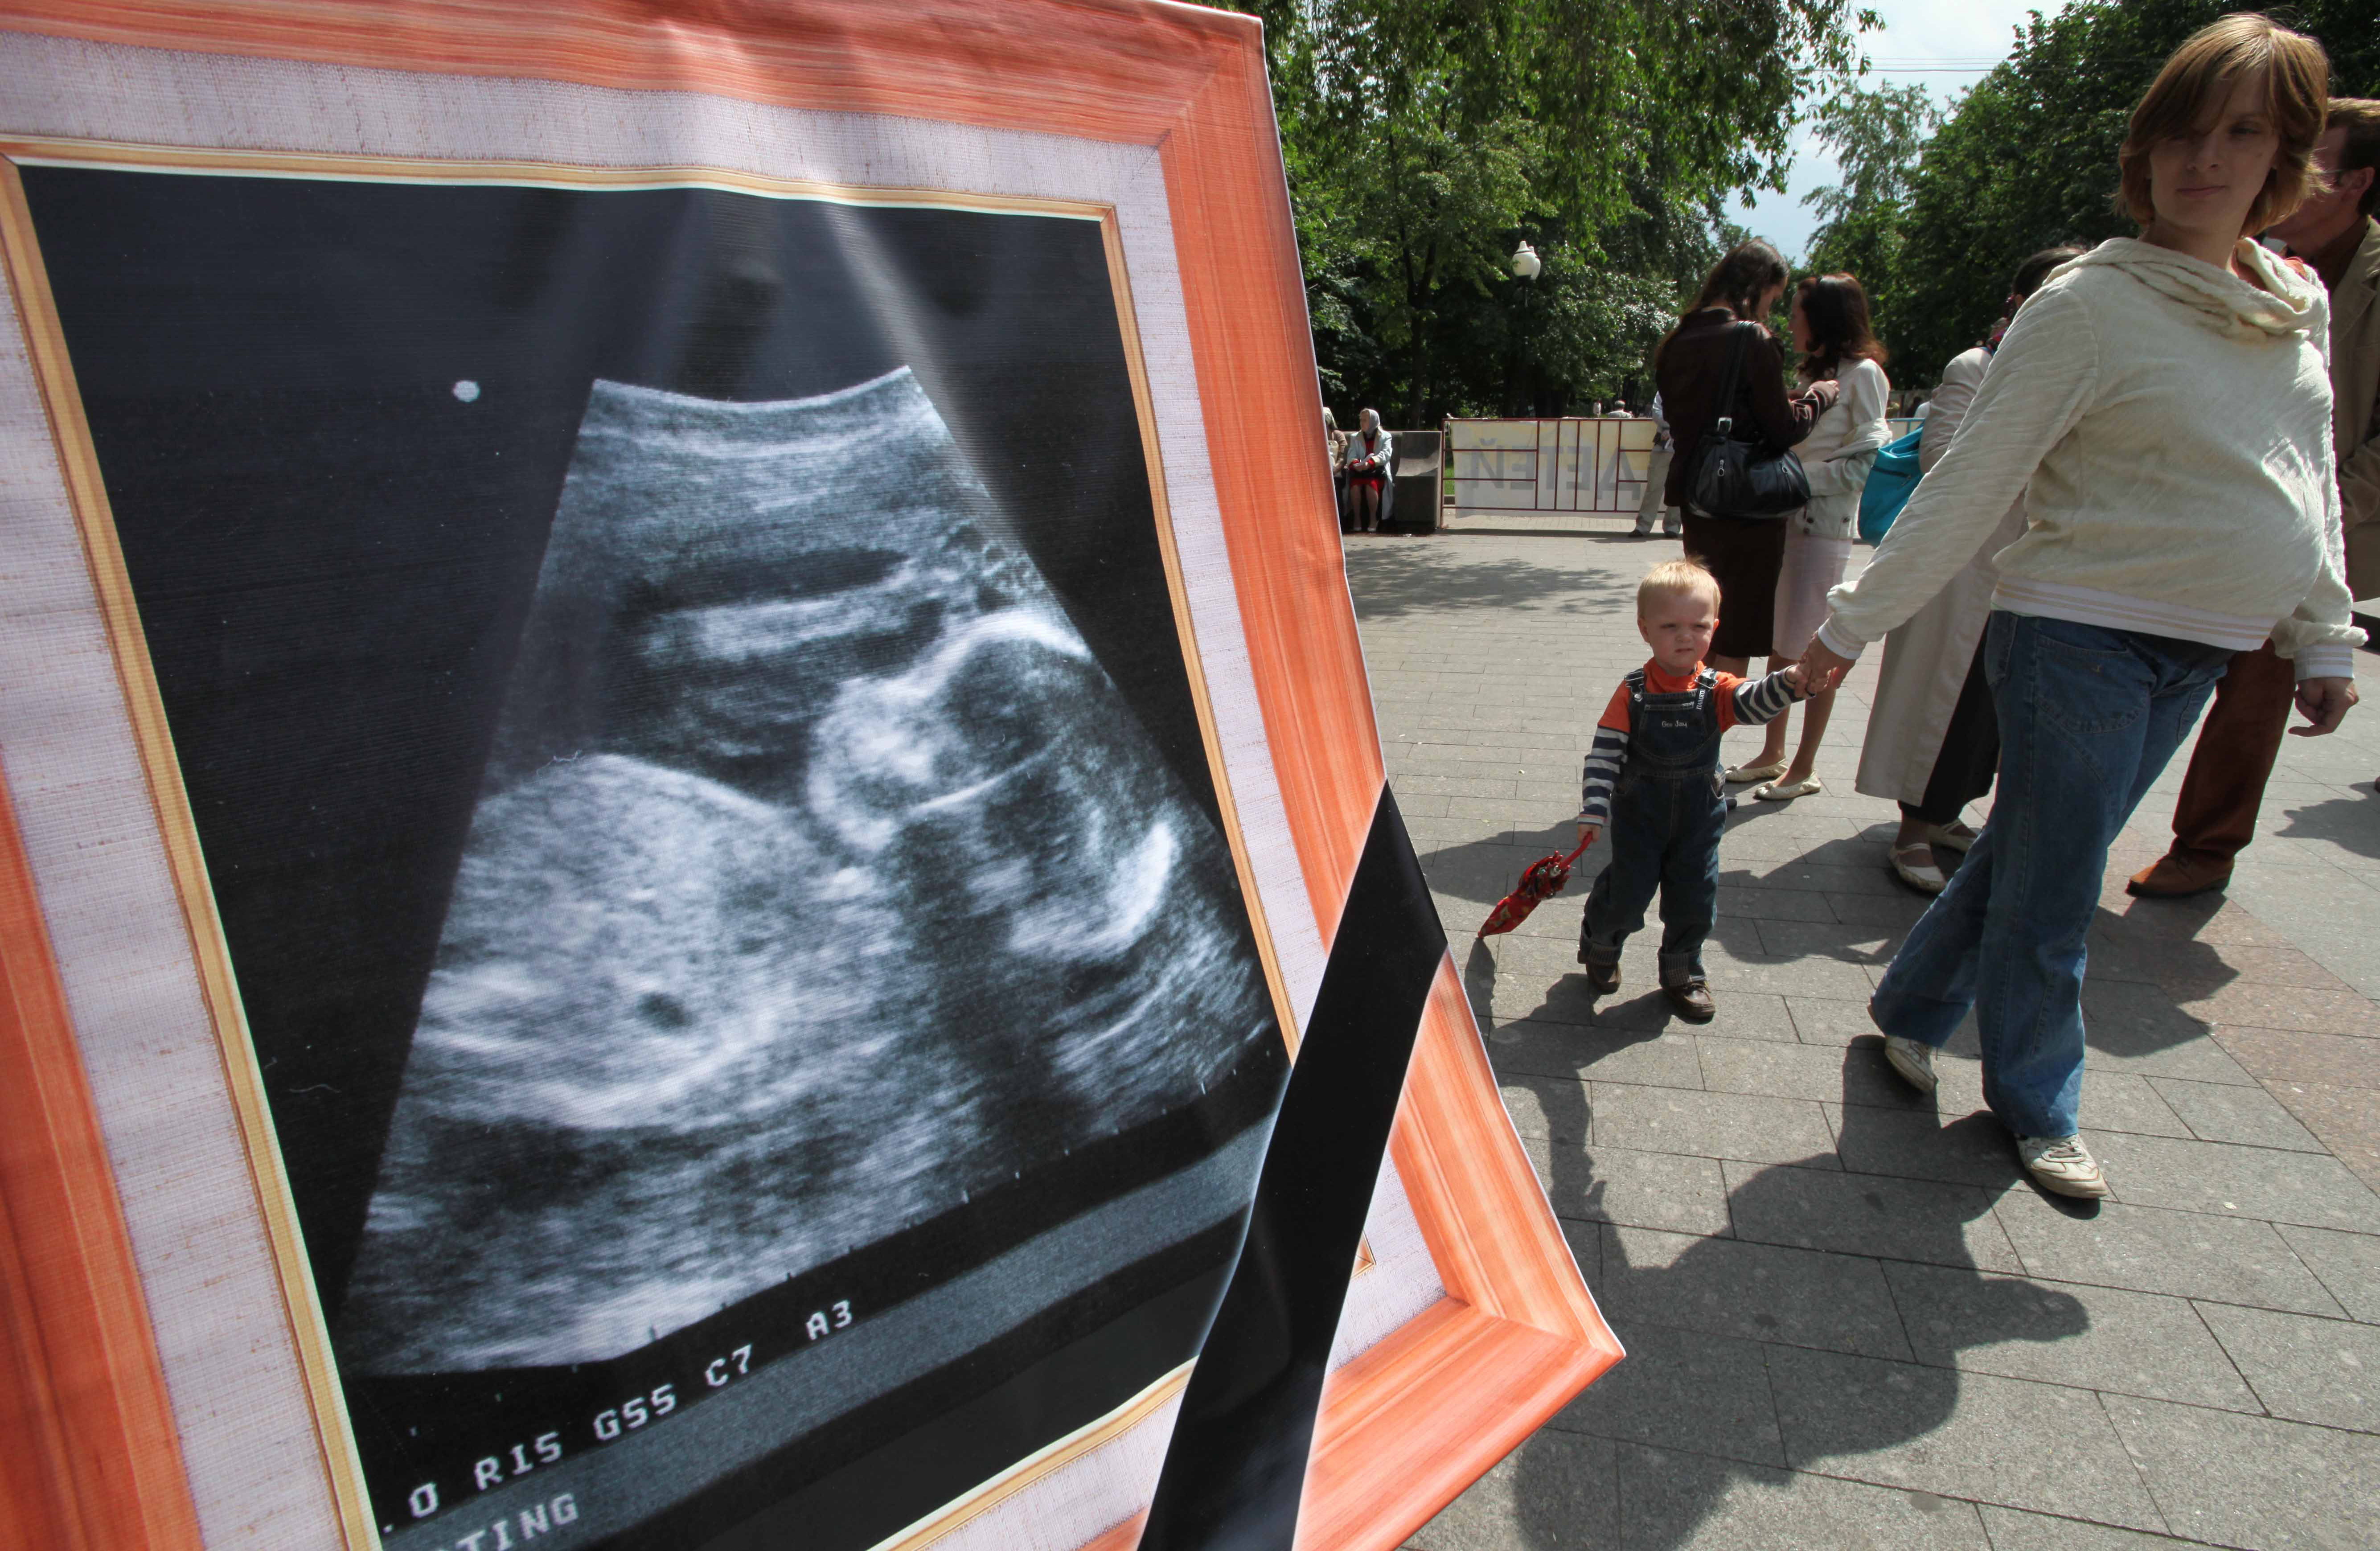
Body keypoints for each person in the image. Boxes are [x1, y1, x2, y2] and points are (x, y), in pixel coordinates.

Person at [1797, 15, 2360, 1198]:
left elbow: (2301, 474)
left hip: (2199, 651)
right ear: (2144, 148)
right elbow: (1968, 484)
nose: (2201, 161)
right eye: (2181, 133)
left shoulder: (2288, 303)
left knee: (2036, 849)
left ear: (2285, 157)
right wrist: (1848, 627)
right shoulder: (2087, 304)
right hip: (2074, 639)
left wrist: (2321, 630)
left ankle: (1908, 1007)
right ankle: (2036, 1097)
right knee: (2060, 884)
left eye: (2240, 134)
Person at [2131, 95, 2380, 893]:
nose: (2276, 175)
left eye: (2306, 164)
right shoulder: (2239, 259)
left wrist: (2319, 507)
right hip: (2193, 518)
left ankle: (2204, 850)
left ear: (2356, 183)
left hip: (2308, 527)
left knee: (2258, 691)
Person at [1857, 245, 2087, 894]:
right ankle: (1913, 832)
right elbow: (1942, 460)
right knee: (1947, 700)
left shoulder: (2080, 372)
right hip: (1963, 566)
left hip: (2035, 570)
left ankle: (1949, 815)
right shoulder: (1977, 368)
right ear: (2024, 301)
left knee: (1994, 707)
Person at [1575, 559, 1806, 1022]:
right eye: (1671, 626)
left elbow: (1755, 702)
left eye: (1699, 626)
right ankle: (1602, 943)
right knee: (1627, 893)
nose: (1686, 637)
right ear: (1645, 630)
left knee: (1694, 899)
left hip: (1699, 821)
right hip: (1641, 819)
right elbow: (1604, 753)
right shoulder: (1633, 691)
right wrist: (1594, 809)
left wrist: (1791, 683)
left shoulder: (1716, 688)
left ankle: (1683, 972)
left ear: (1715, 628)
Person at [1738, 273, 1892, 802]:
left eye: (1800, 311)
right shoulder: (1814, 375)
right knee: (1781, 646)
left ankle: (1804, 766)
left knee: (1816, 648)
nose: (1792, 320)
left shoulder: (1864, 374)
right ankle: (1773, 753)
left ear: (1825, 317)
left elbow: (1865, 462)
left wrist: (1795, 480)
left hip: (1822, 531)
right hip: (1788, 526)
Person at [1654, 241, 1838, 681]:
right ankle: (1702, 739)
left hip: (1699, 495)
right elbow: (1784, 430)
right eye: (1774, 299)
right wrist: (1818, 398)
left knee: (1701, 628)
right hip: (1746, 505)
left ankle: (1682, 722)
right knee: (1734, 636)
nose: (1773, 312)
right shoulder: (1750, 338)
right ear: (1759, 287)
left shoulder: (1678, 339)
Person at [1632, 392, 1683, 537]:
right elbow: (1656, 411)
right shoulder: (1663, 390)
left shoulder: (1695, 386)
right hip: (1663, 445)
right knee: (1654, 486)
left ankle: (1673, 527)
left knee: (1678, 487)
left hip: (1685, 445)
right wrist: (1671, 425)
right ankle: (1643, 525)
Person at [1341, 407, 1393, 534]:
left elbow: (1386, 454)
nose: (1362, 423)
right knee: (1355, 486)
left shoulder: (1385, 436)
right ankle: (1357, 518)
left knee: (1371, 485)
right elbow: (1352, 455)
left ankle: (1373, 519)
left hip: (1377, 471)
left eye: (1365, 420)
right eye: (1361, 420)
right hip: (1360, 471)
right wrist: (1356, 464)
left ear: (1374, 422)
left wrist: (1371, 463)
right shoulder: (1355, 437)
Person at [1324, 406, 1351, 532]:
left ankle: (1340, 523)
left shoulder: (1339, 436)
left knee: (1336, 487)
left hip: (1336, 472)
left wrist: (1333, 472)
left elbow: (1342, 458)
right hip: (1320, 472)